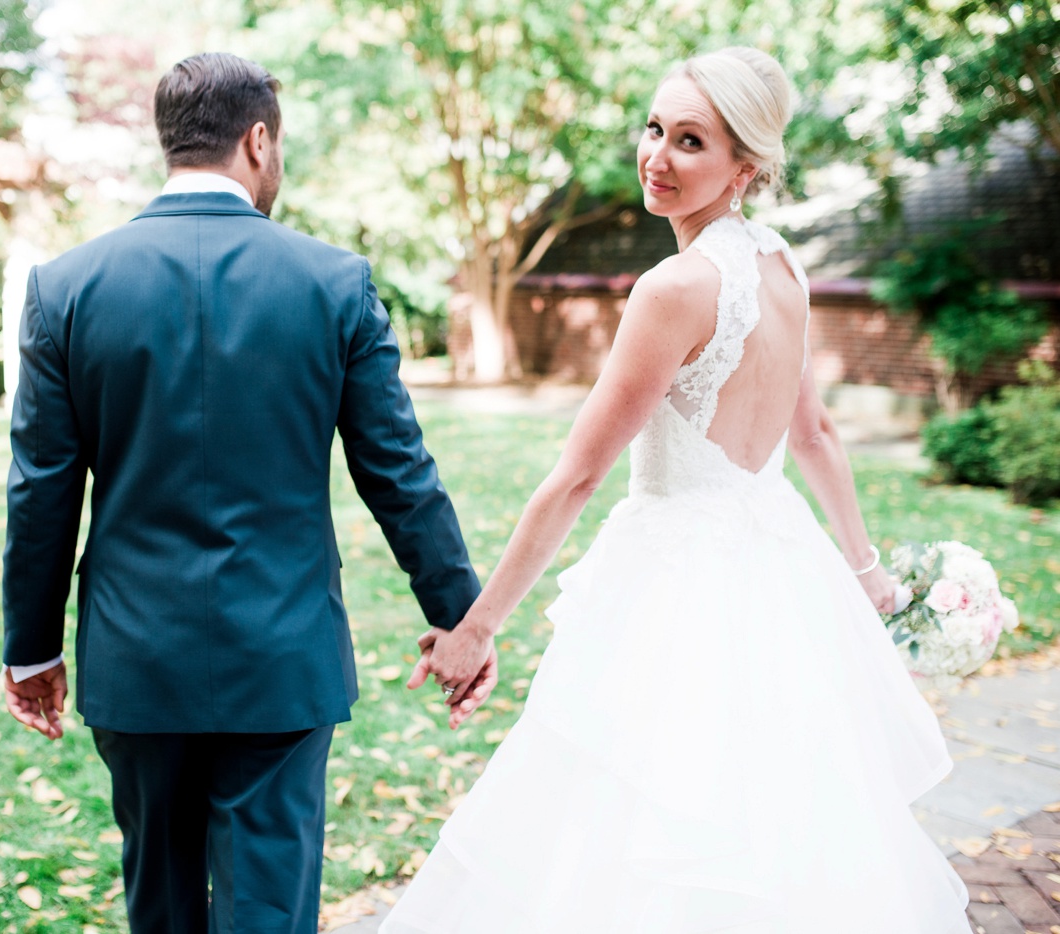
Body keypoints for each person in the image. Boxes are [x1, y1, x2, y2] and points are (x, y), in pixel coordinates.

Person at [389, 47, 970, 932]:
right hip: (779, 580)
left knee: (631, 827)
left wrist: (476, 630)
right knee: (774, 825)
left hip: (671, 592)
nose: (657, 156)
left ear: (747, 166)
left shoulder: (675, 287)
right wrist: (864, 572)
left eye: (690, 140)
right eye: (655, 128)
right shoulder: (786, 269)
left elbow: (578, 475)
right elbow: (812, 434)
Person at [0, 52, 492, 934]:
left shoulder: (65, 288)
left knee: (162, 901)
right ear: (257, 140)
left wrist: (32, 650)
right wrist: (460, 616)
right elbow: (398, 471)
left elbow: (41, 491)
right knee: (270, 908)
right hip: (281, 654)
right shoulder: (334, 283)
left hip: (135, 656)